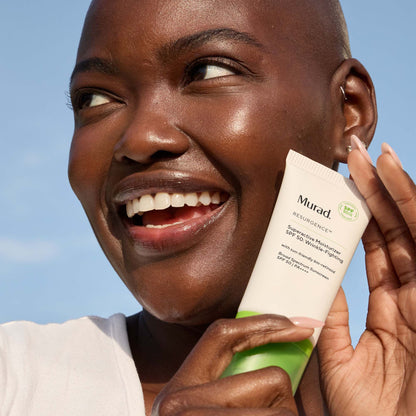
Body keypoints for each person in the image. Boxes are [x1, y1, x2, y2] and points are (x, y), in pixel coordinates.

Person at [1, 0, 416, 414]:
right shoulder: (16, 380)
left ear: (347, 111)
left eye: (207, 72)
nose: (141, 139)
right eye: (94, 98)